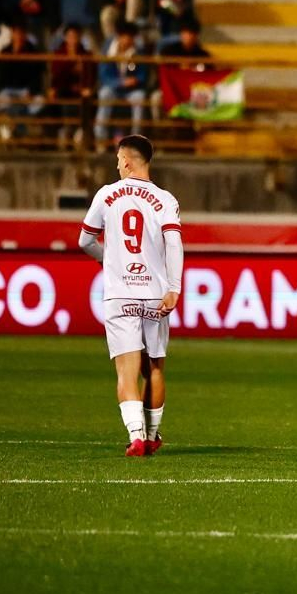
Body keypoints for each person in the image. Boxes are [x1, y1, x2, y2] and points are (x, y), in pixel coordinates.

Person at [77, 135, 183, 456]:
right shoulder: (166, 199)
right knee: (154, 368)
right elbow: (174, 244)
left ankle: (136, 436)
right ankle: (152, 436)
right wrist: (174, 287)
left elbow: (84, 240)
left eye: (118, 161)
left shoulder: (107, 195)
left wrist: (104, 258)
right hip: (155, 294)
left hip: (120, 293)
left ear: (125, 160)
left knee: (126, 369)